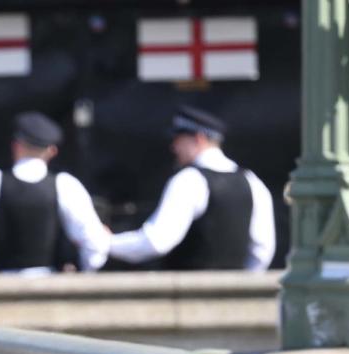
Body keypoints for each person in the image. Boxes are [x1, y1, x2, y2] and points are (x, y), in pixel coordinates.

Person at [108, 105, 275, 270]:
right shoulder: (252, 181)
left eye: (178, 139)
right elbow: (262, 251)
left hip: (189, 295)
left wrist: (105, 242)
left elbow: (156, 242)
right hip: (237, 294)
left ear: (199, 138)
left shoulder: (188, 180)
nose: (173, 147)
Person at [0, 111, 110, 275]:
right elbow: (96, 244)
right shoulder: (65, 184)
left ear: (16, 145)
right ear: (52, 151)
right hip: (51, 289)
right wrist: (83, 274)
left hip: (2, 289)